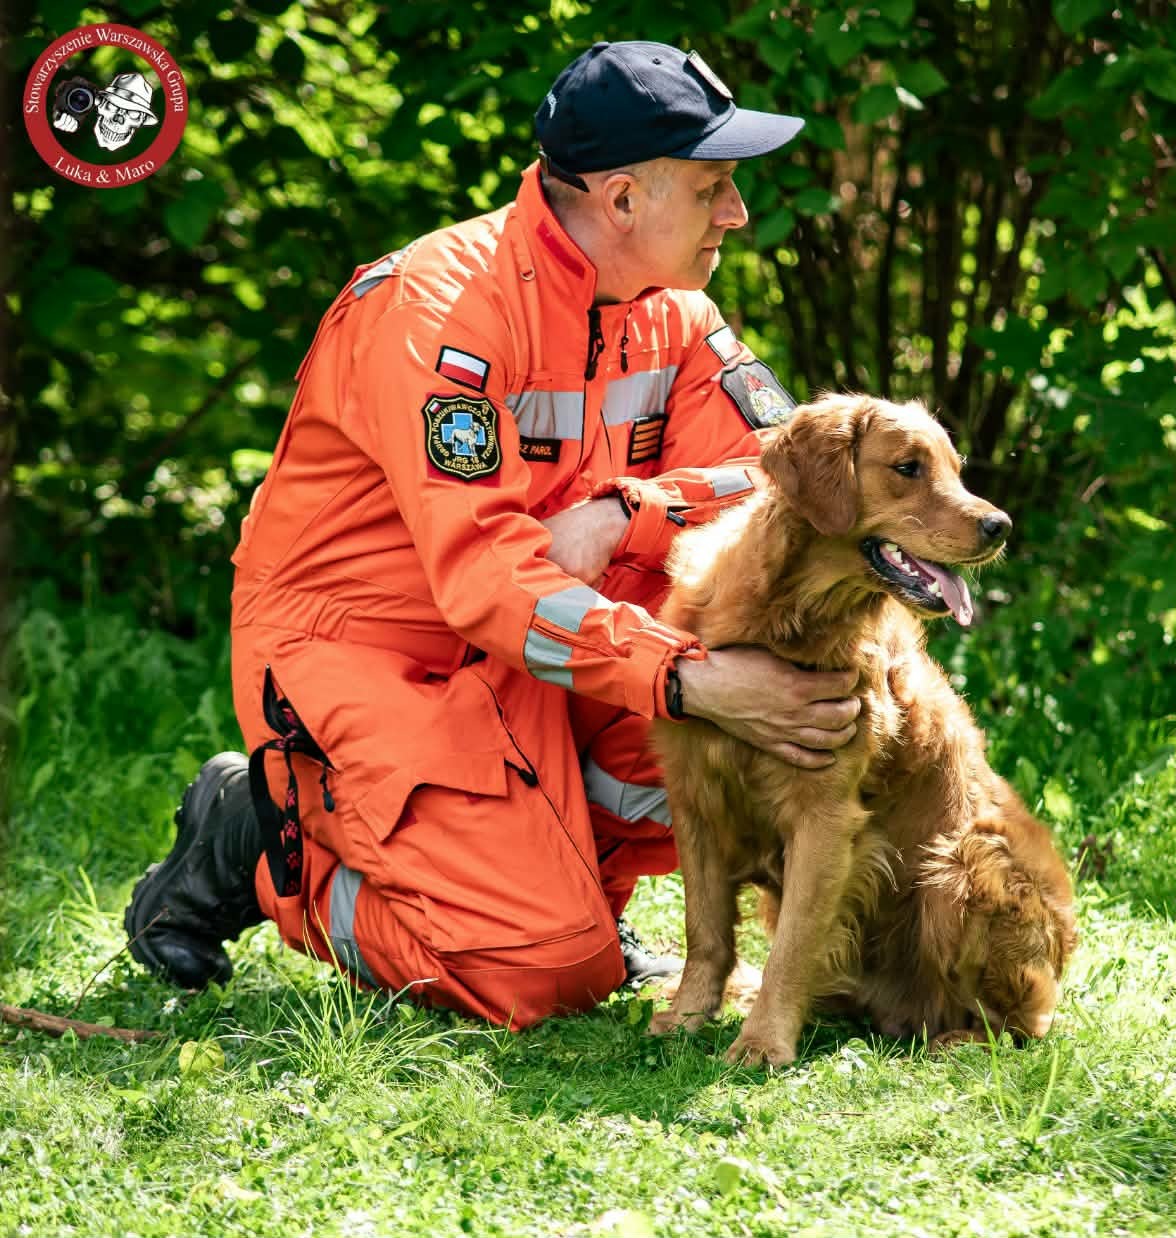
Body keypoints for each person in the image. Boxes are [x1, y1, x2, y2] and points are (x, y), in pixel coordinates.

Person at [123, 42, 863, 1029]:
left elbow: (784, 476)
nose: (736, 213)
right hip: (368, 652)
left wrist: (628, 510)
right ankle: (264, 851)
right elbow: (486, 577)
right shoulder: (438, 310)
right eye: (715, 187)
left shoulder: (675, 312)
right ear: (622, 198)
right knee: (533, 975)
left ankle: (577, 907)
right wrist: (686, 677)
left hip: (533, 649)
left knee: (707, 670)